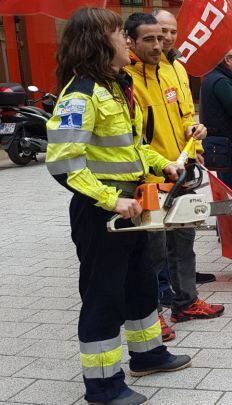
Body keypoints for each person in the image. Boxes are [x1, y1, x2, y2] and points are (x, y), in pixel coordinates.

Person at [45, 8, 192, 404]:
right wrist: (112, 199)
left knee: (140, 283)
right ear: (98, 42)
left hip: (132, 206)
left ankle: (148, 354)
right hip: (101, 212)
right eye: (117, 33)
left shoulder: (116, 87)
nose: (127, 40)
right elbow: (62, 164)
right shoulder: (81, 94)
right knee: (104, 295)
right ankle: (103, 385)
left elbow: (133, 147)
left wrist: (164, 164)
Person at [125, 14, 225, 334]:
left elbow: (183, 115)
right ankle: (152, 314)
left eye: (167, 34)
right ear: (131, 41)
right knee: (153, 253)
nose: (162, 41)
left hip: (181, 172)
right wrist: (159, 165)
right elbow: (132, 138)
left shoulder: (172, 69)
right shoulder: (125, 78)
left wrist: (193, 130)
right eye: (154, 37)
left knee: (184, 243)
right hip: (149, 180)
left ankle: (185, 303)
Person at [153, 9, 217, 286]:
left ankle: (184, 277)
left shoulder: (178, 67)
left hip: (185, 161)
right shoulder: (140, 71)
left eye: (172, 32)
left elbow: (186, 114)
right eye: (161, 31)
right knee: (160, 232)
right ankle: (166, 285)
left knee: (184, 226)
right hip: (159, 166)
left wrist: (197, 141)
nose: (167, 38)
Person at [201, 49, 232, 196]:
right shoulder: (221, 81)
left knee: (227, 189)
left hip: (224, 144)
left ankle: (227, 219)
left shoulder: (213, 77)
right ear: (227, 60)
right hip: (230, 145)